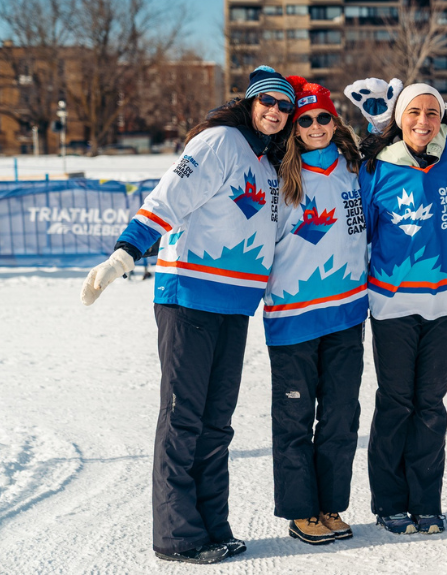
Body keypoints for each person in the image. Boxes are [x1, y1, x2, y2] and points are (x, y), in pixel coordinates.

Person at [80, 65, 295, 564]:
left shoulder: (267, 163)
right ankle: (178, 536)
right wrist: (124, 254)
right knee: (183, 419)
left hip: (234, 305)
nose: (276, 111)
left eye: (285, 106)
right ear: (250, 102)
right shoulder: (219, 142)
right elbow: (168, 199)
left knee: (216, 424)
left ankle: (212, 526)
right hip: (190, 298)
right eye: (267, 101)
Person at [357, 83, 447, 535]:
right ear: (399, 117)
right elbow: (361, 233)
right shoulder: (377, 167)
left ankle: (426, 502)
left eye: (431, 112)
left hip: (446, 301)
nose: (423, 121)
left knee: (430, 403)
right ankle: (389, 502)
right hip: (394, 302)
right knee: (396, 402)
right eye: (413, 112)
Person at [263, 77, 368, 545]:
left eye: (323, 117)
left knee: (341, 417)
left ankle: (330, 506)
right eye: (304, 120)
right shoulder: (277, 175)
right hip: (293, 317)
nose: (315, 126)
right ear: (294, 128)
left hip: (347, 313)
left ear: (335, 120)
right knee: (294, 419)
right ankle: (300, 511)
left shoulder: (353, 169)